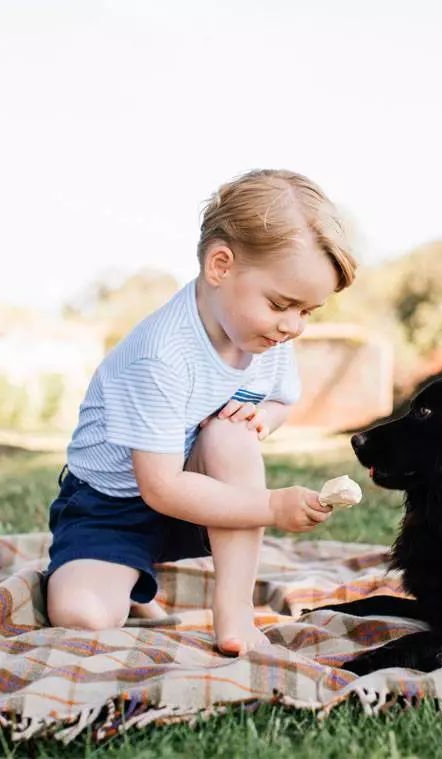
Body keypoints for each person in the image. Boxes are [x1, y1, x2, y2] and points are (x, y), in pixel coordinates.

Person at [44, 169, 357, 655]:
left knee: (231, 436)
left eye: (306, 312)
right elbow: (160, 487)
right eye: (282, 304)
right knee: (82, 616)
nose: (293, 326)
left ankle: (234, 612)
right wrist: (272, 506)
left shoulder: (265, 337)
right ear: (220, 265)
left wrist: (262, 419)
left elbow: (280, 400)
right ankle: (121, 575)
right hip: (112, 506)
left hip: (199, 494)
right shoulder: (161, 356)